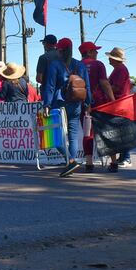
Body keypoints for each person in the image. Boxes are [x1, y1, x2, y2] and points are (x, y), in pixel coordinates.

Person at [42, 37, 91, 177]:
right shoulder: (80, 65)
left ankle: (69, 160)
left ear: (60, 50)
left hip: (59, 102)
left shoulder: (55, 65)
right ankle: (72, 161)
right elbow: (87, 86)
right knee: (73, 135)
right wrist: (88, 103)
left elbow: (50, 87)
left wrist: (47, 104)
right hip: (76, 103)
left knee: (54, 134)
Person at [79, 41, 115, 172]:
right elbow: (104, 83)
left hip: (83, 104)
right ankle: (114, 162)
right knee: (107, 131)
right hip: (100, 103)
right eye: (94, 50)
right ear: (88, 52)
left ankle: (89, 163)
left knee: (87, 133)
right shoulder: (98, 65)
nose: (97, 53)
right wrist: (112, 100)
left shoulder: (77, 65)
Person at [106, 47, 132, 167]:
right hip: (121, 102)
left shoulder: (120, 70)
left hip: (120, 103)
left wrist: (104, 88)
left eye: (110, 58)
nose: (109, 60)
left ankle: (126, 158)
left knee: (122, 132)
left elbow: (116, 87)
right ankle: (124, 157)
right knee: (120, 132)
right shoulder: (120, 69)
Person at [36, 34, 60, 98]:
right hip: (63, 92)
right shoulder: (63, 56)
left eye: (43, 43)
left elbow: (39, 79)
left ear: (46, 44)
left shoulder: (43, 58)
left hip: (48, 92)